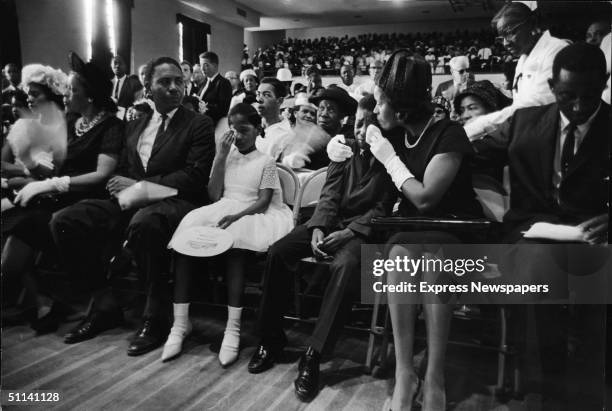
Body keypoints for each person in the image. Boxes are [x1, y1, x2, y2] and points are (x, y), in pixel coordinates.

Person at [329, 50, 482, 411]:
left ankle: (435, 376)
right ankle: (404, 374)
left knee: (434, 261)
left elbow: (427, 197)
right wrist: (343, 146)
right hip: (408, 229)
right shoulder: (394, 134)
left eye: (381, 102)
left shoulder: (449, 133)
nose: (376, 108)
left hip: (452, 228)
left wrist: (388, 157)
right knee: (398, 258)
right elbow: (371, 165)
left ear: (401, 111)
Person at [49, 57, 215, 355]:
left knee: (146, 222)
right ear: (148, 89)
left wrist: (140, 188)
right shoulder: (136, 125)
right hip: (130, 200)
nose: (175, 87)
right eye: (165, 82)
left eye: (179, 81)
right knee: (65, 220)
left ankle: (156, 316)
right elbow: (126, 166)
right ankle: (103, 303)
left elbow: (194, 176)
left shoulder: (197, 123)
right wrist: (123, 183)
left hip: (175, 200)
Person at [475, 43, 609, 410]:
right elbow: (467, 155)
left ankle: (586, 396)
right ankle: (541, 393)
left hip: (597, 240)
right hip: (535, 234)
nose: (579, 107)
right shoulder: (524, 123)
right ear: (552, 86)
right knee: (537, 274)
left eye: (589, 96)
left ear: (606, 83)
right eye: (568, 96)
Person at [248, 95, 397, 403]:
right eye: (358, 122)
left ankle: (314, 354)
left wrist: (348, 232)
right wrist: (317, 227)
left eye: (369, 123)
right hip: (329, 221)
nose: (362, 129)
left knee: (346, 266)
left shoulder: (390, 155)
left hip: (362, 230)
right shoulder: (343, 148)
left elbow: (384, 207)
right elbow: (329, 194)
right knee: (279, 251)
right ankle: (270, 340)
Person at [162, 103, 294, 366]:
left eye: (244, 129)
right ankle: (179, 324)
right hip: (225, 207)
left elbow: (264, 202)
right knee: (186, 235)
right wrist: (221, 157)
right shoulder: (227, 156)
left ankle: (232, 329)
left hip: (253, 213)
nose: (238, 135)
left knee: (236, 244)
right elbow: (213, 195)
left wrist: (237, 216)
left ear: (258, 129)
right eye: (234, 129)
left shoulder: (266, 161)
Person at [1, 52, 124, 333]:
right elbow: (53, 168)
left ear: (89, 95)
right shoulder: (71, 123)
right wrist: (31, 174)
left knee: (56, 222)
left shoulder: (111, 126)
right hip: (62, 196)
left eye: (72, 89)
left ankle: (102, 305)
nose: (66, 94)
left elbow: (102, 174)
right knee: (17, 221)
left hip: (91, 199)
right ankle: (44, 300)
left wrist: (55, 184)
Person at [464, 2, 568, 140]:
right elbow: (518, 105)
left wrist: (480, 125)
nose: (505, 43)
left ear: (531, 24)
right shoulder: (522, 59)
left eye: (510, 32)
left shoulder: (557, 50)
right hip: (529, 135)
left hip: (553, 137)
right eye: (501, 37)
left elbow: (537, 104)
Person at [2, 64, 68, 187]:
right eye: (28, 94)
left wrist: (26, 164)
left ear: (50, 96)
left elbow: (53, 174)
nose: (29, 99)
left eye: (35, 94)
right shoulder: (22, 124)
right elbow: (3, 163)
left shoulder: (62, 127)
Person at [254, 77, 293, 161]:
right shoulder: (250, 125)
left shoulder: (286, 136)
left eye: (266, 95)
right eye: (258, 94)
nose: (259, 99)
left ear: (279, 101)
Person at [198, 52, 232, 125]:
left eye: (206, 65)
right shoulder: (203, 83)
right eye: (201, 65)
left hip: (214, 124)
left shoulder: (223, 83)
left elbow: (223, 109)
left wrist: (205, 107)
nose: (202, 68)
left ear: (215, 65)